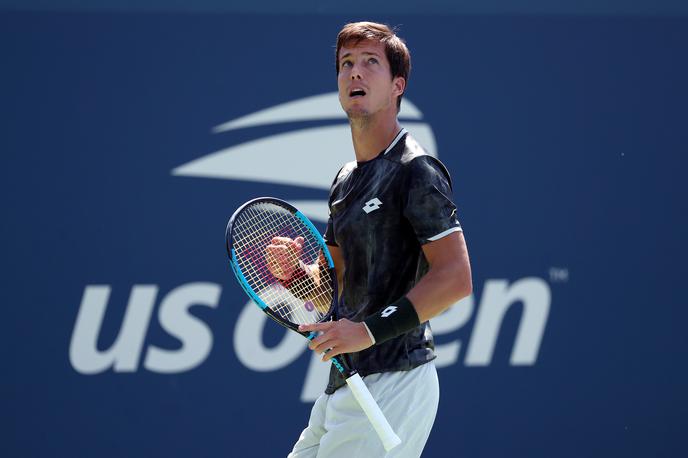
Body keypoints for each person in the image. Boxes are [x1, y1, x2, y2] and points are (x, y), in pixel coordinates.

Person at [269, 21, 472, 458]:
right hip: (346, 386)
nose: (354, 73)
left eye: (369, 63)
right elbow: (332, 285)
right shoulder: (345, 181)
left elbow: (456, 278)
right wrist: (294, 275)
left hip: (396, 381)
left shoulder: (416, 170)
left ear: (398, 85)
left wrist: (366, 331)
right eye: (346, 64)